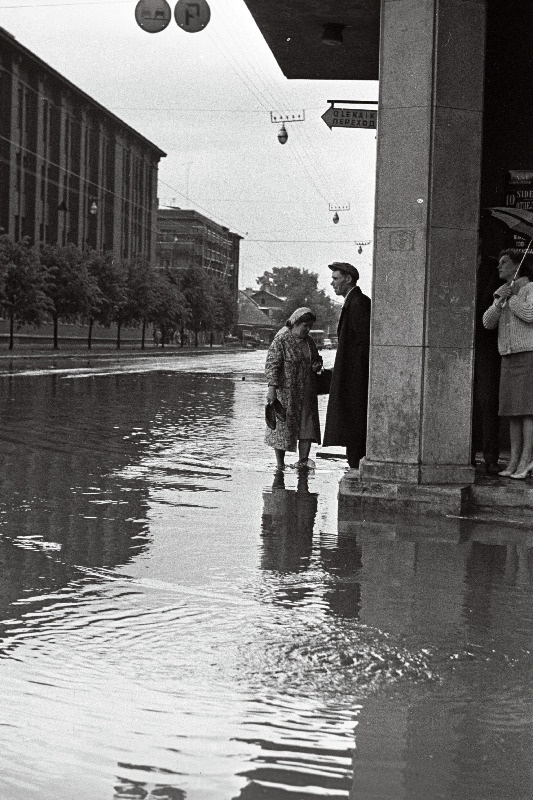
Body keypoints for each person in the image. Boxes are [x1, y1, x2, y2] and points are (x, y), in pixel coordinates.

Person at [483, 249, 533, 479]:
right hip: (508, 356)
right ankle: (513, 461)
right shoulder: (503, 291)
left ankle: (526, 461)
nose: (498, 266)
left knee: (527, 412)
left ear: (516, 266)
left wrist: (512, 298)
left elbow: (530, 314)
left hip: (526, 355)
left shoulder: (530, 289)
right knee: (512, 412)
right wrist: (498, 301)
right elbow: (487, 323)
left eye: (504, 262)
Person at [323, 262, 371, 469]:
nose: (332, 283)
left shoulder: (358, 303)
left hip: (355, 380)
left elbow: (362, 344)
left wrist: (351, 376)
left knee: (355, 424)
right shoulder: (353, 302)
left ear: (348, 279)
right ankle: (354, 465)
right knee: (352, 424)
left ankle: (356, 467)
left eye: (335, 278)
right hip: (352, 378)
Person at [265, 307, 323, 470]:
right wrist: (272, 389)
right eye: (305, 325)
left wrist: (317, 364)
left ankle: (303, 461)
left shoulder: (309, 341)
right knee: (282, 428)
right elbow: (272, 365)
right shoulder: (281, 339)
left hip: (306, 390)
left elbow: (316, 359)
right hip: (286, 392)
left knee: (307, 426)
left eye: (310, 326)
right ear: (295, 323)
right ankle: (280, 465)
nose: (308, 329)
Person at [472, 252, 501, 474]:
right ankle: (467, 454)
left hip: (487, 344)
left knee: (487, 400)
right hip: (461, 344)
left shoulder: (493, 270)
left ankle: (490, 456)